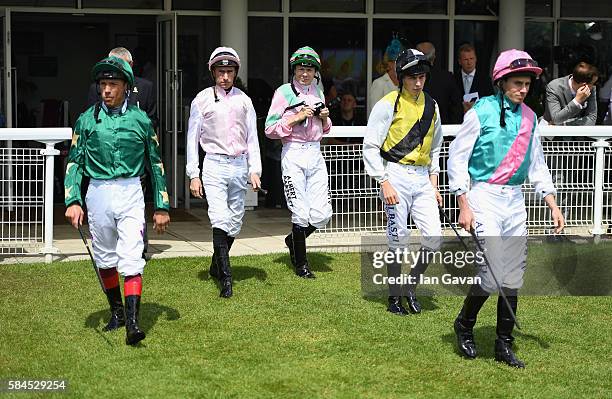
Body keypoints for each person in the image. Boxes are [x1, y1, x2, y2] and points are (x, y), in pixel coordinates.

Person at [448, 49, 565, 368]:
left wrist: (552, 203)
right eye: (517, 83)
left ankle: (504, 343)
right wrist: (463, 203)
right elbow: (457, 158)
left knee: (511, 276)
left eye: (526, 84)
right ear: (501, 82)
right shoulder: (480, 111)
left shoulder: (529, 117)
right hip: (483, 196)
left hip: (515, 200)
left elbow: (537, 164)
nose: (523, 89)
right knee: (491, 273)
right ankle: (465, 325)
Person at [64, 56, 170, 346]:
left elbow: (155, 163)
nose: (106, 90)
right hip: (97, 193)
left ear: (126, 86)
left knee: (132, 254)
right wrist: (73, 200)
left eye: (113, 84)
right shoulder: (86, 120)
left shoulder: (141, 120)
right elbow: (74, 163)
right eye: (103, 84)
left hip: (131, 191)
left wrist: (161, 205)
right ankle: (117, 313)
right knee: (105, 257)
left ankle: (133, 325)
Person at [363, 49, 443, 315]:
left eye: (421, 76)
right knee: (398, 239)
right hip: (395, 175)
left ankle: (411, 285)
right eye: (412, 77)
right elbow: (371, 145)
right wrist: (383, 181)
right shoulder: (387, 104)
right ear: (401, 77)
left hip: (422, 179)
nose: (417, 83)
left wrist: (434, 182)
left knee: (434, 237)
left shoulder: (433, 105)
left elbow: (435, 148)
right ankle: (394, 298)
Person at [186, 47, 262, 298]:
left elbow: (252, 138)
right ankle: (226, 279)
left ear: (235, 72)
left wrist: (255, 170)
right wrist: (193, 174)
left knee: (235, 222)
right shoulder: (202, 99)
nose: (225, 77)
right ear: (213, 72)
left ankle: (215, 263)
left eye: (229, 72)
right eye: (221, 71)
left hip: (239, 164)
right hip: (214, 165)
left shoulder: (244, 100)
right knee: (219, 217)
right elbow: (192, 139)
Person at [265, 46, 333, 279]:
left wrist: (324, 119)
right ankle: (301, 264)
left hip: (315, 152)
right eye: (301, 69)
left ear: (315, 72)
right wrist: (297, 117)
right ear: (294, 69)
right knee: (300, 211)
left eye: (310, 69)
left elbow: (325, 129)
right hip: (293, 151)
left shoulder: (318, 91)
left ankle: (293, 239)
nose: (305, 74)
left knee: (322, 214)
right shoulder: (283, 92)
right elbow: (270, 129)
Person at [87, 47, 157, 260]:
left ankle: (138, 248)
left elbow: (153, 119)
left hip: (135, 159)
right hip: (105, 162)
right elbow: (91, 122)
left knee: (136, 205)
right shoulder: (96, 88)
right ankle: (112, 247)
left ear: (130, 66)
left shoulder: (145, 87)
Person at [416, 41, 463, 124]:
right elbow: (456, 108)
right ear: (434, 57)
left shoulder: (411, 79)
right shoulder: (447, 77)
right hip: (444, 130)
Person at [543, 61, 598, 127]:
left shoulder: (592, 89)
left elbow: (592, 118)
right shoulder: (554, 87)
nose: (594, 86)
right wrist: (576, 101)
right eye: (593, 83)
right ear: (584, 85)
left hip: (578, 135)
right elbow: (556, 119)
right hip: (554, 135)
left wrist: (565, 124)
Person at [453, 43, 494, 114]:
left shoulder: (485, 79)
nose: (469, 62)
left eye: (471, 58)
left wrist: (476, 106)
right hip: (458, 120)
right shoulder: (453, 79)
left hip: (478, 119)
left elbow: (491, 101)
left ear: (476, 59)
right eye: (465, 59)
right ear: (459, 61)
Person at [369, 38, 403, 116]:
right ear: (389, 64)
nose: (401, 65)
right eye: (398, 62)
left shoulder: (404, 84)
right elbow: (374, 113)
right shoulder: (379, 83)